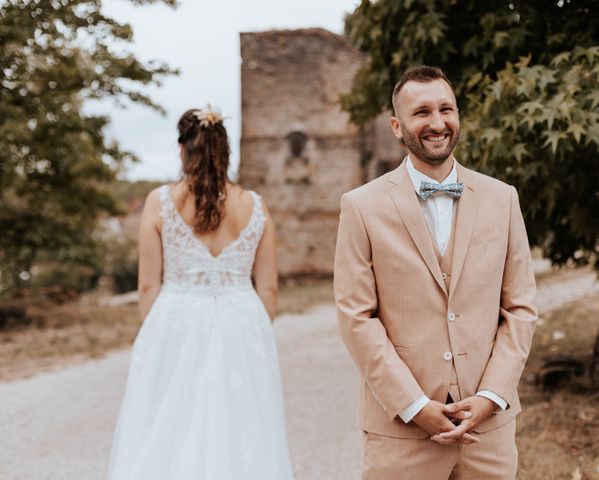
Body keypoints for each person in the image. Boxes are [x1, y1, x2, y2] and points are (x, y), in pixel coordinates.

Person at [334, 66, 537, 479]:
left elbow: (520, 308)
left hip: (489, 431)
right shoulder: (361, 206)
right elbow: (356, 319)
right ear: (397, 125)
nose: (438, 123)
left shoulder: (503, 198)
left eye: (447, 109)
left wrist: (491, 395)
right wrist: (414, 406)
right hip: (401, 432)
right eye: (422, 112)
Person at [107, 107, 294, 479]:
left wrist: (158, 333)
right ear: (225, 154)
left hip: (175, 320)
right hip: (242, 321)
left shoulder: (159, 202)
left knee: (166, 426)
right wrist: (254, 329)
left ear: (182, 151)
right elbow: (269, 288)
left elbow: (147, 284)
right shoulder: (255, 206)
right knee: (243, 428)